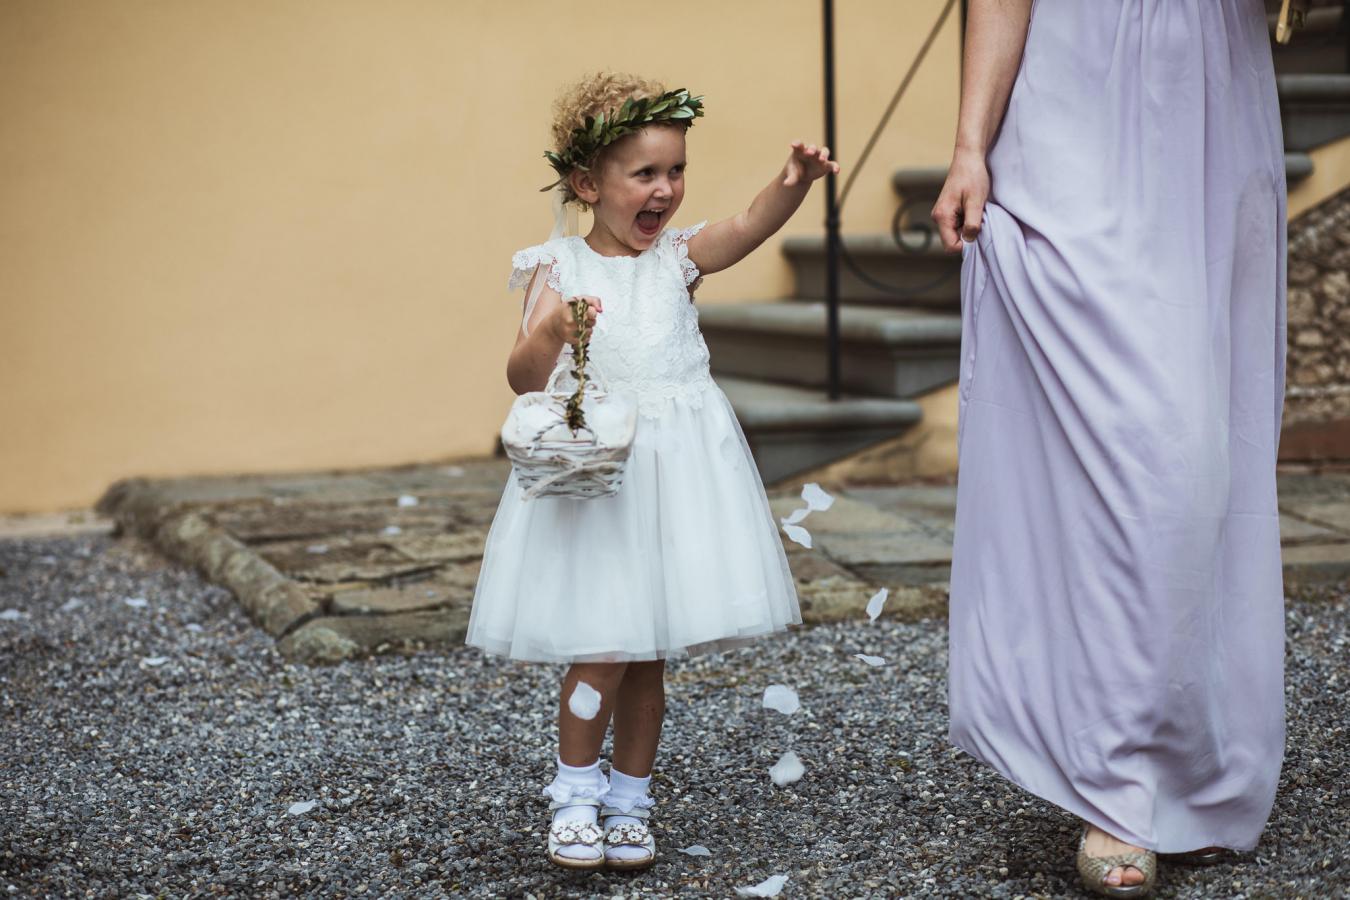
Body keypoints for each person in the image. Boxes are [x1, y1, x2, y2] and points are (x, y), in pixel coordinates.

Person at [933, 1, 1287, 896]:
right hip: (1071, 106)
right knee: (1139, 444)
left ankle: (1192, 764)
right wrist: (972, 142)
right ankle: (1116, 783)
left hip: (1210, 96)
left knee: (1209, 452)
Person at [466, 71, 838, 871]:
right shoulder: (558, 265)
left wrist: (793, 183)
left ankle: (632, 798)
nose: (664, 190)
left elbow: (744, 227)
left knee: (649, 655)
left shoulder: (677, 257)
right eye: (645, 175)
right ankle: (574, 793)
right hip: (599, 486)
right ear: (587, 184)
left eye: (675, 172)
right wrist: (557, 336)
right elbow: (524, 376)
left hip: (676, 483)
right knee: (600, 644)